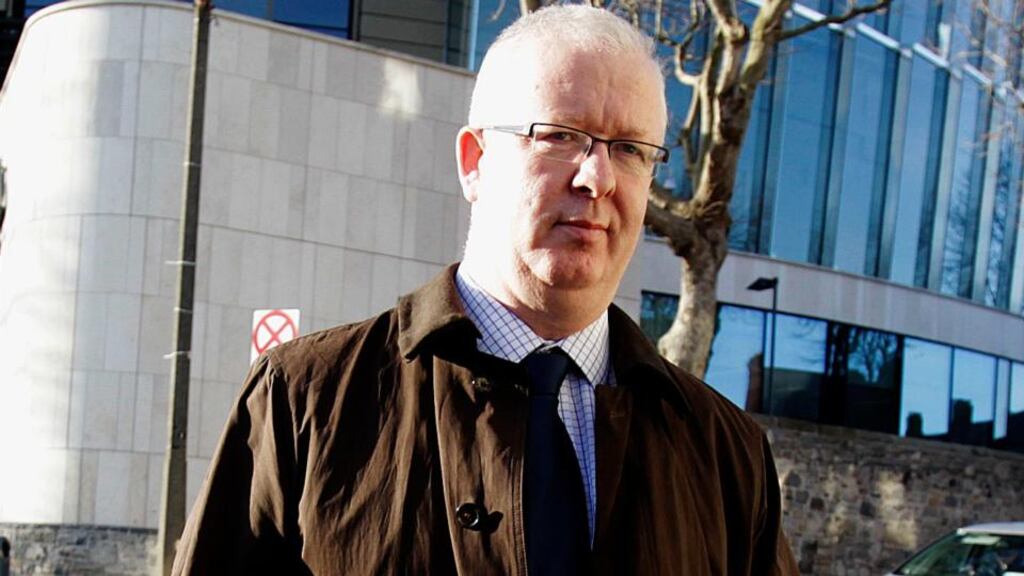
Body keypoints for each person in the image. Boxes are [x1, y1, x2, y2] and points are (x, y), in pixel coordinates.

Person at [172, 5, 798, 575]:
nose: (597, 176)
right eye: (560, 135)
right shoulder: (305, 399)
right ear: (475, 161)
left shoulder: (726, 452)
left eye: (630, 149)